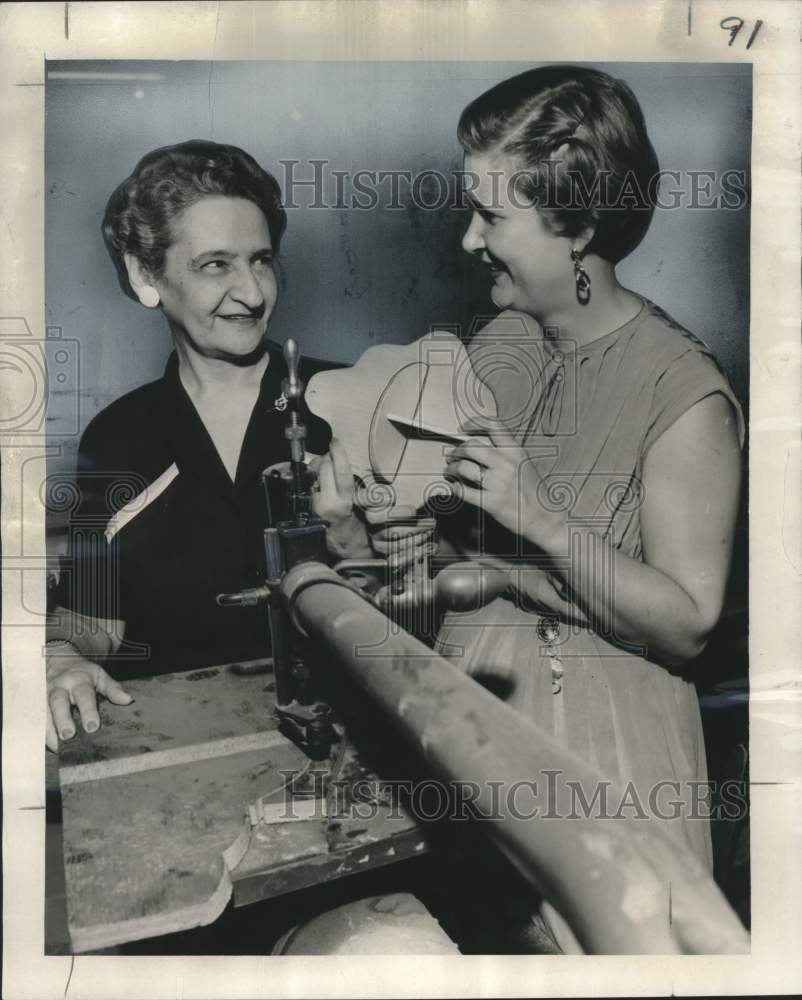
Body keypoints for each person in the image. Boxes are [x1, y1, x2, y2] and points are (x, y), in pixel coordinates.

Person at [424, 64, 743, 943]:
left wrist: (542, 521)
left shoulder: (686, 395)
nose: (467, 241)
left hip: (609, 762)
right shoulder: (503, 342)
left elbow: (687, 623)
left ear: (580, 226)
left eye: (491, 216)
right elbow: (460, 548)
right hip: (471, 734)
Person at [45, 140, 369, 752]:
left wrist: (356, 540)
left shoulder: (349, 401)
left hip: (347, 743)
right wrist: (60, 657)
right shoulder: (118, 437)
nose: (252, 293)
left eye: (262, 260)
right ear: (146, 275)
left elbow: (415, 613)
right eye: (216, 264)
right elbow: (92, 619)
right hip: (179, 748)